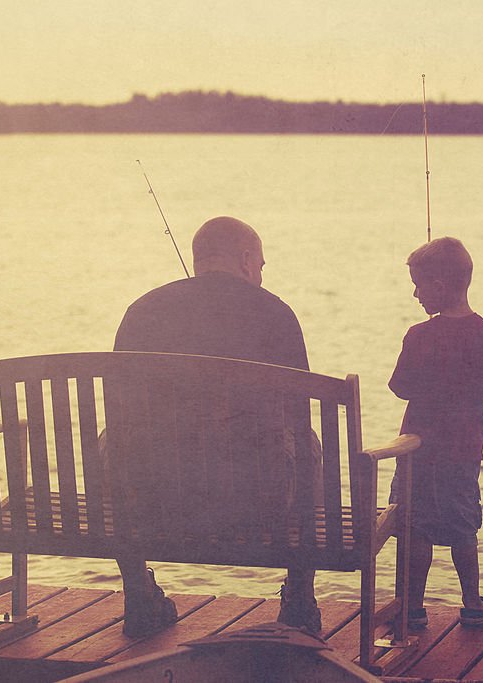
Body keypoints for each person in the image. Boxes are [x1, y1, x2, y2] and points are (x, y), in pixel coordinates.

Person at [111, 216, 321, 637]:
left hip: (160, 499)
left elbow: (122, 413)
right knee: (309, 442)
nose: (260, 274)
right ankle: (299, 595)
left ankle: (137, 591)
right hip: (258, 501)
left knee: (113, 439)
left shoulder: (142, 311)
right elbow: (298, 416)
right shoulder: (276, 314)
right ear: (245, 260)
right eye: (261, 265)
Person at [388, 237, 483, 629]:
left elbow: (400, 387)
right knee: (463, 527)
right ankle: (473, 603)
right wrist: (477, 398)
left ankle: (412, 609)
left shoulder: (418, 335)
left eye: (418, 284)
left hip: (417, 452)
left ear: (439, 287)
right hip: (461, 453)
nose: (414, 293)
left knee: (414, 527)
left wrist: (434, 387)